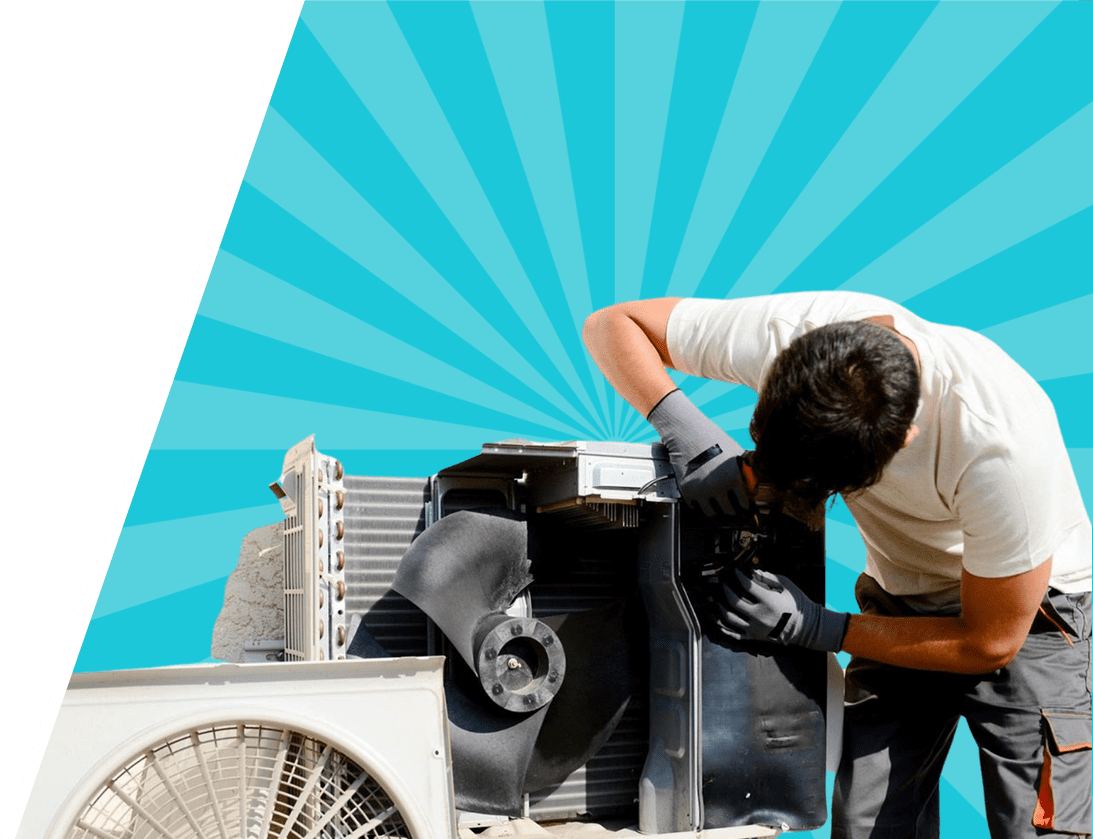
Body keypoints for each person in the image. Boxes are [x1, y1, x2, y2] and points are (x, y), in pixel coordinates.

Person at [583, 291, 1091, 839]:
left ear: (900, 443)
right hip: (899, 602)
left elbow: (988, 642)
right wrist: (688, 431)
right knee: (869, 826)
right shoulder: (793, 332)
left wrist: (820, 628)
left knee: (1037, 830)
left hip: (1027, 617)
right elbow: (614, 324)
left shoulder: (1002, 448)